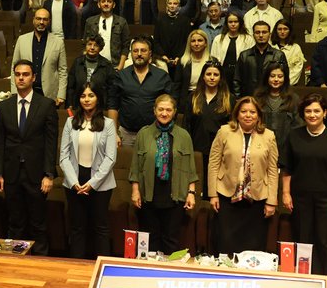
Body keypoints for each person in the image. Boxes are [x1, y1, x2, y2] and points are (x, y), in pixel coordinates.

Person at [282, 93, 327, 277]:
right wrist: (286, 193)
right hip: (300, 198)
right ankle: (302, 278)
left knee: (326, 242)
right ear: (302, 113)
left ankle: (326, 278)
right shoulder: (294, 136)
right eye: (308, 111)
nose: (312, 115)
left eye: (316, 111)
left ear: (324, 113)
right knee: (303, 239)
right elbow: (287, 167)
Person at [0, 60, 59, 256]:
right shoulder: (4, 106)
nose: (21, 77)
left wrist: (49, 174)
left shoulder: (46, 105)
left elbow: (51, 143)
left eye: (25, 74)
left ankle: (40, 261)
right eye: (17, 74)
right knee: (15, 222)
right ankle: (15, 262)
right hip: (11, 172)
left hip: (36, 173)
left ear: (33, 78)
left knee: (38, 222)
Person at [208, 96, 278, 255]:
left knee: (252, 245)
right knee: (225, 242)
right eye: (244, 111)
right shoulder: (224, 131)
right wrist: (213, 194)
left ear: (258, 115)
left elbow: (272, 170)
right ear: (237, 114)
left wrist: (272, 201)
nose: (248, 115)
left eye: (252, 112)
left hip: (257, 199)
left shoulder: (269, 136)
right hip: (226, 195)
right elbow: (213, 163)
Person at [130, 94, 197, 255]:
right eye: (161, 109)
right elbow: (135, 166)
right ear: (154, 111)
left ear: (174, 112)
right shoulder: (143, 134)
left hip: (175, 195)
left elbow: (190, 168)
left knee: (171, 239)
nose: (164, 113)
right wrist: (135, 190)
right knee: (150, 240)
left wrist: (191, 192)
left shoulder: (184, 135)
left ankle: (167, 274)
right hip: (149, 195)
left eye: (168, 110)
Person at [59, 83, 117, 259]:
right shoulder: (70, 122)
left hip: (101, 182)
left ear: (98, 98)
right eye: (83, 96)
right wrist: (74, 182)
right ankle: (76, 265)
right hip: (74, 180)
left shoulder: (108, 124)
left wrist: (92, 183)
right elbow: (64, 156)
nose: (86, 99)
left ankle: (102, 267)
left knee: (100, 227)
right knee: (77, 227)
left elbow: (110, 158)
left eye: (91, 95)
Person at [108, 37, 177, 146]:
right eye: (135, 51)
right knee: (126, 163)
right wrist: (113, 133)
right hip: (126, 134)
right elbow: (113, 105)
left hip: (155, 133)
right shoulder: (121, 76)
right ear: (131, 54)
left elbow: (172, 105)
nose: (139, 54)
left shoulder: (162, 76)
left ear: (150, 54)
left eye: (143, 50)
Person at [184, 61, 232, 198]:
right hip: (197, 149)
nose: (212, 77)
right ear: (203, 77)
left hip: (220, 152)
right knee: (198, 186)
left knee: (216, 189)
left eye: (216, 74)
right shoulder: (193, 98)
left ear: (220, 77)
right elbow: (187, 125)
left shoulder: (229, 99)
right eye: (208, 74)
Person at [11, 9, 67, 106]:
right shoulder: (22, 40)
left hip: (49, 93)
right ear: (33, 20)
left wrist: (61, 94)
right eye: (38, 19)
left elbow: (63, 70)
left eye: (45, 19)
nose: (41, 22)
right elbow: (14, 67)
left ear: (49, 21)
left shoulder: (58, 42)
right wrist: (14, 91)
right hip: (26, 91)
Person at [254, 63, 301, 169]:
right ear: (267, 77)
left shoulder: (293, 99)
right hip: (261, 147)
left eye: (280, 76)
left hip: (286, 148)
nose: (276, 79)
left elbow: (298, 126)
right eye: (272, 76)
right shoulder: (258, 97)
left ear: (285, 78)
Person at [233, 21, 289, 97]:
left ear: (269, 34)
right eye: (257, 32)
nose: (261, 35)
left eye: (264, 32)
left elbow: (285, 79)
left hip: (271, 98)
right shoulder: (244, 55)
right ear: (253, 35)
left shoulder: (278, 55)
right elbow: (237, 79)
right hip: (249, 98)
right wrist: (238, 98)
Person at [66, 34, 116, 108]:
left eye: (95, 45)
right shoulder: (78, 62)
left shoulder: (106, 65)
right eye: (89, 44)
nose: (92, 48)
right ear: (85, 46)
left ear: (100, 48)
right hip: (79, 105)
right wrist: (70, 103)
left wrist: (109, 107)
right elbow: (71, 86)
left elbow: (112, 89)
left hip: (100, 107)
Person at [84, 0, 131, 70]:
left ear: (114, 5)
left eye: (109, 1)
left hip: (114, 65)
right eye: (103, 1)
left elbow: (126, 46)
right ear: (99, 4)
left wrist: (120, 67)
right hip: (94, 65)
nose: (106, 4)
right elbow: (85, 44)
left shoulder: (122, 22)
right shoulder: (90, 22)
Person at [211, 11, 254, 89]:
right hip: (223, 73)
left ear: (240, 23)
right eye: (230, 22)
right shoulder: (218, 39)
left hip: (241, 74)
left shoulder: (248, 39)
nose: (233, 24)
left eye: (236, 22)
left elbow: (250, 60)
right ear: (226, 23)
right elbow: (213, 58)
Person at [154, 0, 192, 83]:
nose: (172, 5)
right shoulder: (160, 20)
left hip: (180, 59)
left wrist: (179, 57)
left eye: (175, 3)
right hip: (162, 60)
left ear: (179, 6)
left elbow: (187, 41)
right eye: (170, 3)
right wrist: (163, 56)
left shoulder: (185, 20)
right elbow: (156, 41)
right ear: (166, 5)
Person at [177, 29, 211, 108]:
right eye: (193, 41)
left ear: (205, 43)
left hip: (205, 98)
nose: (196, 43)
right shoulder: (182, 61)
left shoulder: (211, 61)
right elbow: (177, 84)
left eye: (200, 40)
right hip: (186, 99)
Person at [271, 18, 306, 86]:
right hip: (271, 84)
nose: (282, 31)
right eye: (279, 29)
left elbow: (297, 70)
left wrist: (284, 83)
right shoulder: (270, 46)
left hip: (289, 84)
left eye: (285, 29)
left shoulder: (296, 48)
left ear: (290, 31)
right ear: (276, 31)